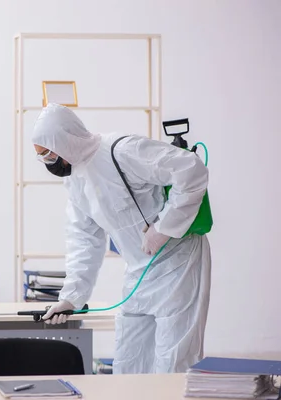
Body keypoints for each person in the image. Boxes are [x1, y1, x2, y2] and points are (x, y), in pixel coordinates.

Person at [32, 103, 211, 375]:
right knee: (129, 363)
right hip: (138, 270)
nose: (48, 162)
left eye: (48, 154)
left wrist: (164, 228)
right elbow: (84, 240)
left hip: (178, 262)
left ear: (64, 141)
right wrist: (71, 298)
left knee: (173, 362)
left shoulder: (121, 150)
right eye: (41, 157)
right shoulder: (76, 180)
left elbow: (191, 169)